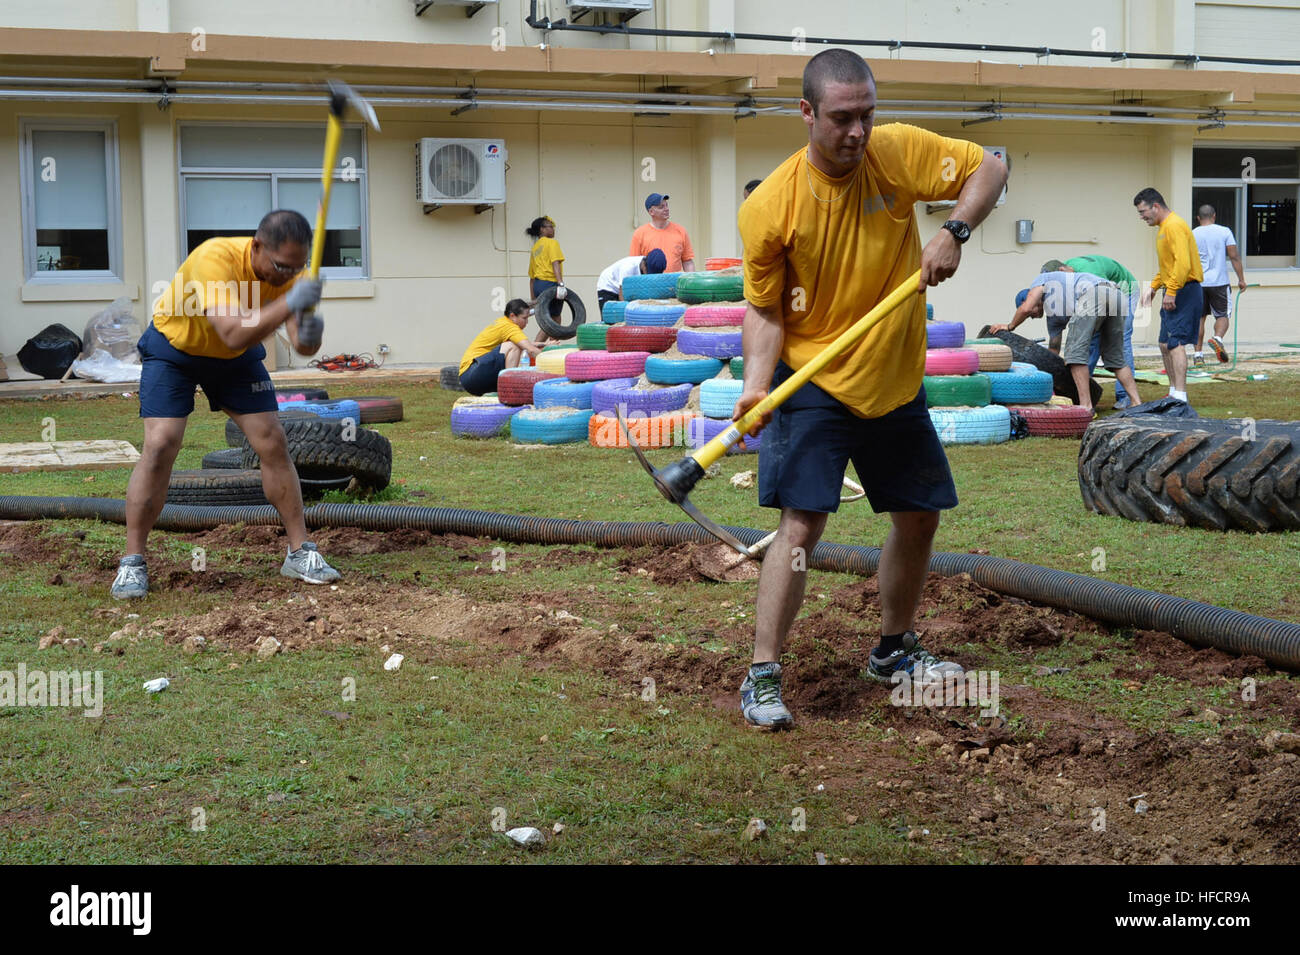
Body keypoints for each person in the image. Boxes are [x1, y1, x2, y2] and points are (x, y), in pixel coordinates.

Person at [731, 48, 1007, 730]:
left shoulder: (896, 153)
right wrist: (758, 387)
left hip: (892, 371)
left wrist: (954, 230)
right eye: (842, 118)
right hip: (814, 377)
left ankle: (893, 649)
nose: (857, 132)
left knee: (918, 514)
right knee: (802, 524)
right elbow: (765, 309)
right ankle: (763, 673)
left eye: (866, 115)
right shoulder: (772, 206)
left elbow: (990, 165)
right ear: (806, 113)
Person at [111, 210, 339, 599]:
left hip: (236, 359)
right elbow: (232, 332)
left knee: (271, 439)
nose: (288, 276)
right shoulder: (214, 258)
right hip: (175, 350)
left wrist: (312, 332)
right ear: (256, 247)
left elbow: (302, 345)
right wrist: (291, 302)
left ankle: (300, 552)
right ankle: (133, 562)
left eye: (296, 268)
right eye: (281, 266)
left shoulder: (294, 273)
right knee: (162, 442)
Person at [988, 271, 1141, 415]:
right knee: (1116, 358)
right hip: (1117, 295)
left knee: (1074, 355)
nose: (1032, 316)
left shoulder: (1041, 280)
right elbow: (1052, 354)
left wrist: (1009, 326)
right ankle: (1137, 403)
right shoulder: (1054, 319)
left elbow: (1026, 308)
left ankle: (1085, 407)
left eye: (1031, 314)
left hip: (1094, 294)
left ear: (1029, 296)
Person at [1039, 255, 1140, 408]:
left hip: (1125, 290)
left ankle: (1124, 397)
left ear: (1061, 271)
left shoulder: (1088, 272)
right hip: (1107, 296)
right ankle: (1081, 391)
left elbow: (1103, 294)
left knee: (1119, 342)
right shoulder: (1071, 280)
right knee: (1087, 342)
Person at [1134, 188, 1203, 404]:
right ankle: (1173, 392)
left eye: (1143, 211)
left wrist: (1171, 291)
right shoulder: (1163, 228)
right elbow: (1168, 266)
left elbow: (1182, 264)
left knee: (1176, 342)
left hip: (1185, 289)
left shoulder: (1174, 226)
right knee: (1164, 343)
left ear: (1156, 206)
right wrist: (1154, 287)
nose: (1142, 217)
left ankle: (1181, 396)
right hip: (1174, 288)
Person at [1192, 204, 1247, 365]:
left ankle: (1198, 356)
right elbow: (1234, 256)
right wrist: (1241, 279)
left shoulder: (1193, 233)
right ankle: (1217, 338)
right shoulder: (1224, 231)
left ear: (1198, 218)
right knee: (1222, 315)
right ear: (1214, 216)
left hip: (1198, 283)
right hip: (1220, 282)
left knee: (1199, 319)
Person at [458, 298, 544, 396]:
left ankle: (506, 390)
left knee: (516, 346)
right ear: (512, 316)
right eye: (524, 318)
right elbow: (531, 350)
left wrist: (545, 344)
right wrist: (551, 362)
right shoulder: (510, 328)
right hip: (472, 373)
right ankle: (510, 390)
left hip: (469, 376)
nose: (527, 322)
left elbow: (526, 344)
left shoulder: (503, 322)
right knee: (513, 346)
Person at [630, 193, 696, 272]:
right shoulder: (640, 234)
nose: (666, 209)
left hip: (674, 283)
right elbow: (634, 264)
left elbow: (687, 261)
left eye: (666, 205)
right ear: (651, 212)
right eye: (661, 207)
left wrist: (691, 281)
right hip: (650, 282)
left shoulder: (681, 231)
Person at [595, 248, 667, 312]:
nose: (649, 276)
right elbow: (622, 294)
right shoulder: (628, 268)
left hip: (624, 287)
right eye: (648, 272)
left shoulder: (648, 267)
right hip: (608, 286)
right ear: (644, 266)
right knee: (613, 316)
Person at [526, 216, 566, 324]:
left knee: (547, 318)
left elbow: (532, 277)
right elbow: (555, 263)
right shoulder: (552, 243)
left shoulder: (535, 248)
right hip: (550, 283)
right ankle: (550, 341)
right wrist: (560, 284)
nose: (553, 229)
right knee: (555, 318)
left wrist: (533, 298)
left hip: (538, 286)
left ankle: (549, 341)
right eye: (550, 226)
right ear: (542, 229)